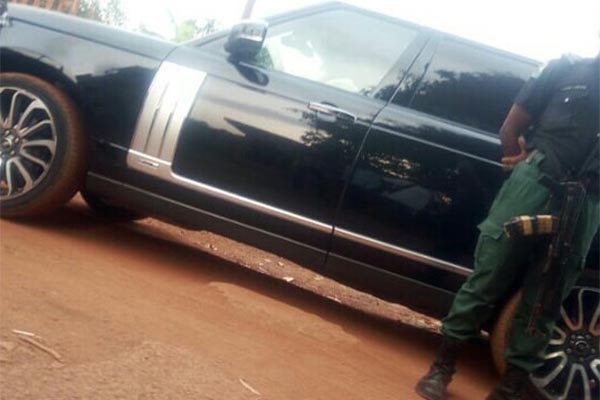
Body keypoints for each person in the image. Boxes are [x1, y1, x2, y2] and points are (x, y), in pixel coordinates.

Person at [415, 53, 600, 400]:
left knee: (547, 297)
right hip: (536, 182)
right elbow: (510, 127)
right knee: (489, 276)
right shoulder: (566, 69)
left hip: (589, 201)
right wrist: (519, 169)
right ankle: (441, 368)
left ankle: (508, 389)